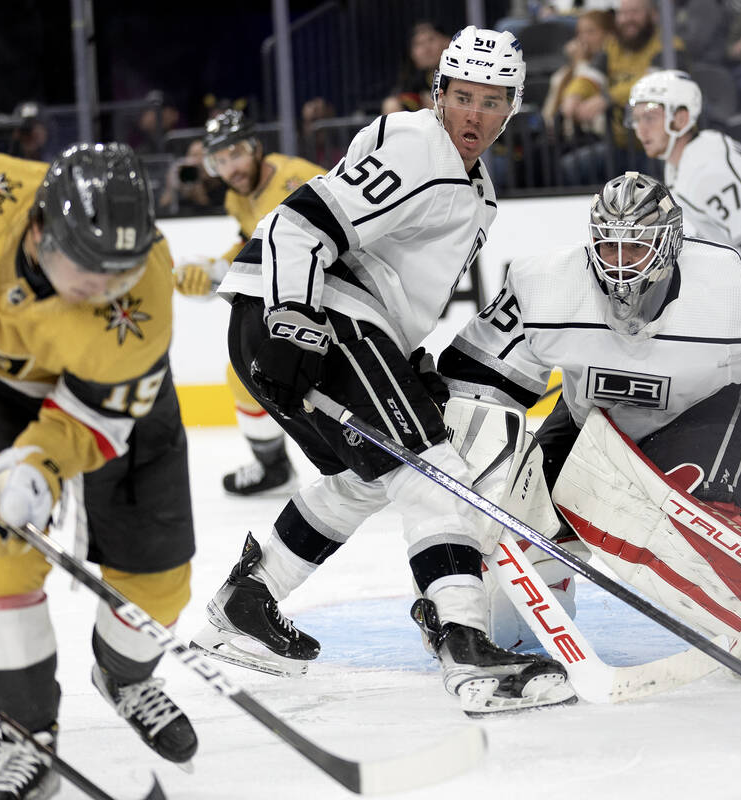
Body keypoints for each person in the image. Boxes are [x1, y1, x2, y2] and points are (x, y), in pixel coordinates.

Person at [190, 27, 574, 715]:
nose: (473, 115)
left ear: (513, 106)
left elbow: (385, 271)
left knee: (360, 480)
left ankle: (247, 601)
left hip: (327, 322)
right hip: (319, 317)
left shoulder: (475, 188)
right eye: (461, 97)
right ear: (439, 95)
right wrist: (292, 315)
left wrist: (396, 358)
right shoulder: (419, 146)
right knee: (431, 469)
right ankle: (467, 642)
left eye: (491, 101)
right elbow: (296, 226)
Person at [438, 172, 741, 675]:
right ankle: (522, 630)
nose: (617, 267)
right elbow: (477, 375)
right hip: (594, 419)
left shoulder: (725, 292)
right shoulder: (546, 285)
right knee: (519, 518)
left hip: (714, 406)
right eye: (607, 249)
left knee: (671, 508)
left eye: (634, 250)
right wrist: (476, 466)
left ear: (670, 245)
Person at [0, 142, 198, 799]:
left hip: (100, 404)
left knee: (158, 580)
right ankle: (31, 740)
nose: (96, 289)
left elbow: (98, 418)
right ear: (37, 227)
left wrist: (40, 463)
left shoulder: (140, 297)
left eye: (114, 275)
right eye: (80, 267)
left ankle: (126, 677)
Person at [172, 109, 326, 496]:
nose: (230, 168)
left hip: (335, 294)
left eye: (236, 153)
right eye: (219, 161)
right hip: (303, 299)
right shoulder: (238, 198)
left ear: (256, 148)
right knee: (245, 372)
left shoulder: (297, 178)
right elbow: (251, 244)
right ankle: (273, 467)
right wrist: (214, 268)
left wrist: (221, 272)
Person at [629, 70, 741, 279]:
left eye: (650, 118)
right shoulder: (687, 158)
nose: (640, 130)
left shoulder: (705, 167)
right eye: (636, 119)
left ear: (680, 119)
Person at [560, 0, 683, 186]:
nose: (627, 19)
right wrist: (572, 96)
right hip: (619, 146)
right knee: (569, 168)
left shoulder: (670, 46)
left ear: (652, 15)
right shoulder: (613, 46)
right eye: (623, 13)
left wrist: (606, 99)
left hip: (659, 149)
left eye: (635, 12)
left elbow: (652, 85)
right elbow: (589, 77)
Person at [540, 9, 614, 148]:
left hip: (591, 139)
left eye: (591, 32)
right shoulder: (569, 68)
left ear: (608, 35)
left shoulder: (607, 66)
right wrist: (574, 64)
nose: (583, 39)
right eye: (580, 33)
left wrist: (580, 62)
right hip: (557, 137)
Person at [382, 21, 448, 114]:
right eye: (419, 44)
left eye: (431, 40)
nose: (427, 49)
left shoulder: (460, 75)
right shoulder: (413, 82)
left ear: (447, 41)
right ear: (411, 54)